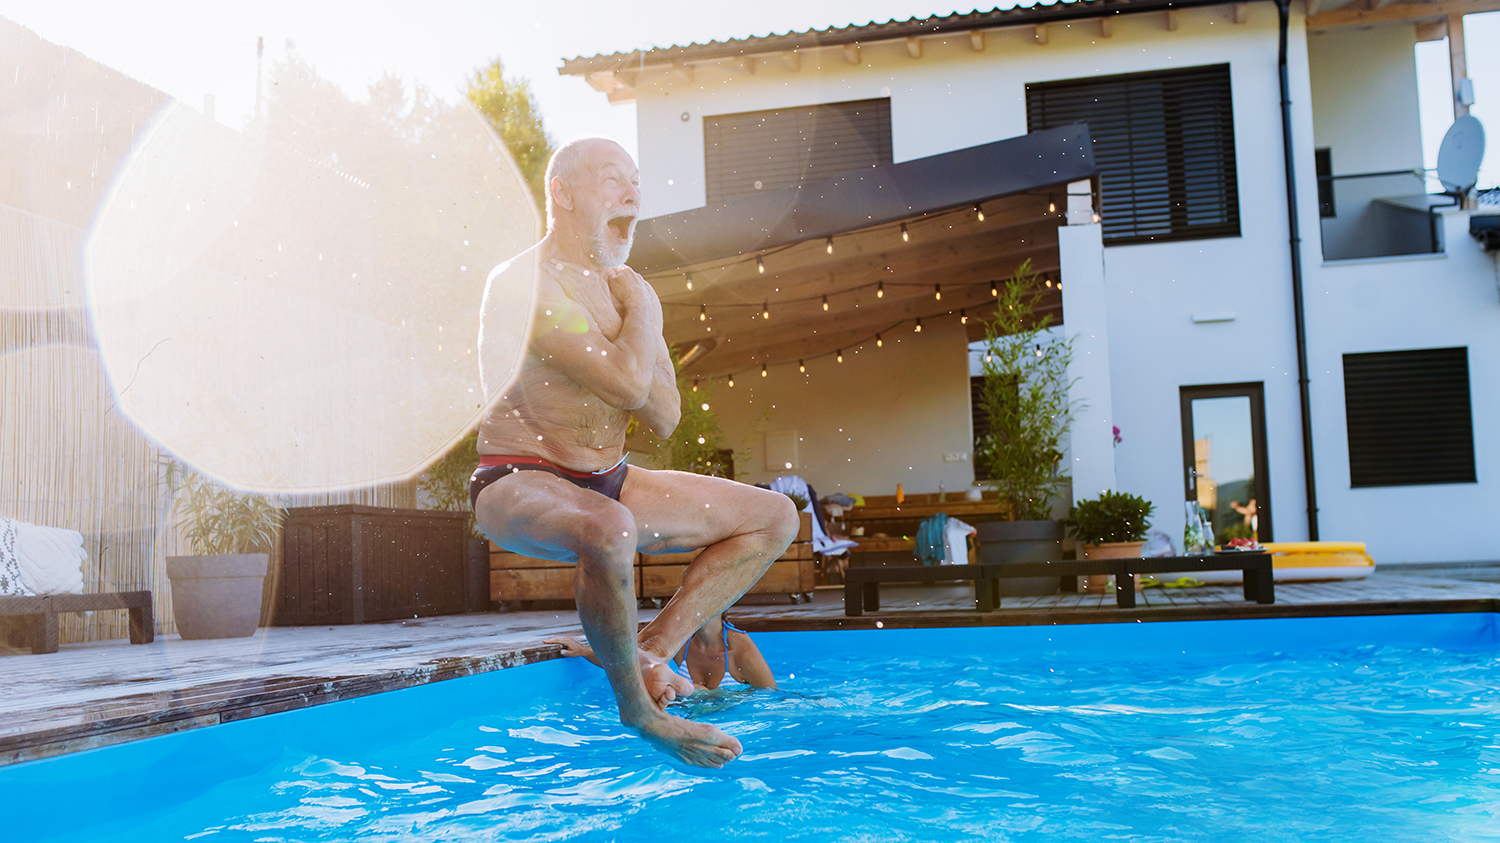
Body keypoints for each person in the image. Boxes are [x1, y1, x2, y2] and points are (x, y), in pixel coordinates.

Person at [473, 138, 799, 769]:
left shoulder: (624, 290)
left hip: (611, 478)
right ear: (563, 194)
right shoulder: (526, 284)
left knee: (774, 517)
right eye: (611, 180)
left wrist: (634, 314)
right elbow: (627, 386)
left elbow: (665, 415)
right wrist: (643, 311)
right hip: (518, 479)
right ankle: (641, 713)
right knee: (610, 525)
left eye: (636, 181)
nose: (632, 194)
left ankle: (652, 649)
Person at [547, 612, 776, 691]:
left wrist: (714, 697)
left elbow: (772, 698)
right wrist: (584, 651)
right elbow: (630, 657)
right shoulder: (681, 638)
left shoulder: (740, 650)